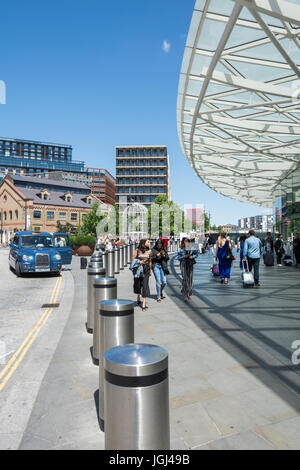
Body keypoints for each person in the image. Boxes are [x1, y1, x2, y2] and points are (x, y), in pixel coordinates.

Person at [132, 239, 152, 312]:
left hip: (146, 269)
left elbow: (150, 261)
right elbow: (133, 258)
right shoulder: (137, 250)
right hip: (138, 269)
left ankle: (143, 303)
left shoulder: (149, 251)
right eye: (148, 242)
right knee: (138, 284)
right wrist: (139, 261)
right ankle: (138, 296)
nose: (149, 243)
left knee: (145, 284)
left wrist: (150, 270)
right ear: (144, 243)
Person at [177, 238, 198, 302]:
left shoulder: (192, 247)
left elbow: (196, 254)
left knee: (190, 278)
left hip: (190, 264)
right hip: (183, 264)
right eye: (185, 241)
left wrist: (192, 256)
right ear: (183, 242)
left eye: (187, 242)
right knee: (185, 278)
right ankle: (186, 294)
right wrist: (183, 257)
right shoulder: (180, 249)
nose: (186, 243)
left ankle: (188, 290)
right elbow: (178, 257)